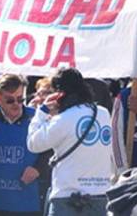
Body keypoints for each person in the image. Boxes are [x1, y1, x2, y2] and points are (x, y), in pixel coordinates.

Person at [27, 68, 114, 216]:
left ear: (59, 93)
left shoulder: (63, 119)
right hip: (100, 196)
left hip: (67, 199)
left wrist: (41, 112)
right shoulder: (103, 114)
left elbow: (33, 144)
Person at [0, 73, 46, 216]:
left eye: (20, 99)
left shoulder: (36, 118)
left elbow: (51, 152)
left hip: (29, 203)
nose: (16, 104)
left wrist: (38, 168)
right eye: (10, 100)